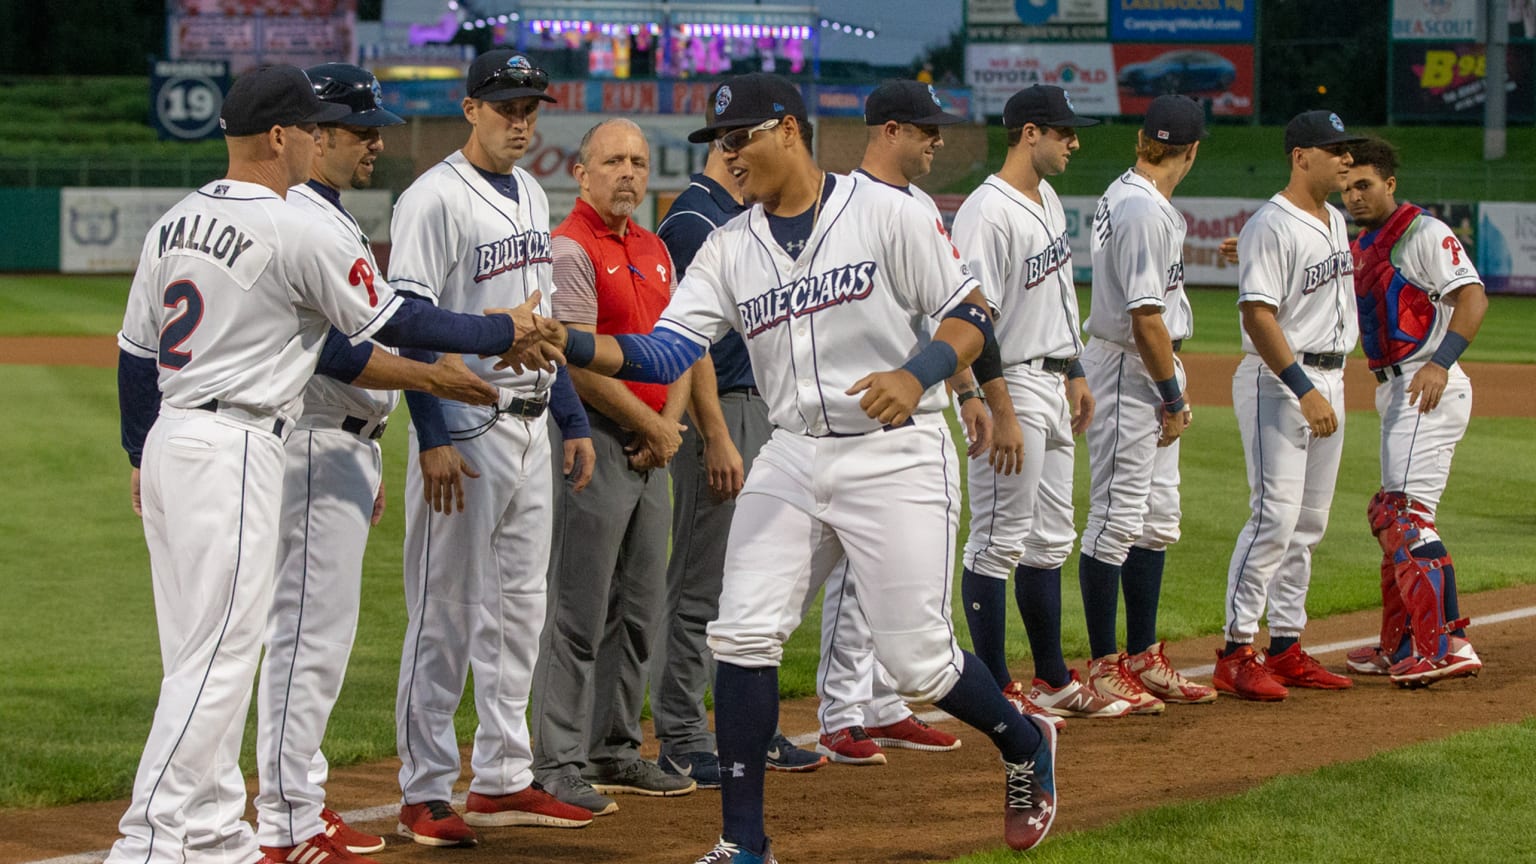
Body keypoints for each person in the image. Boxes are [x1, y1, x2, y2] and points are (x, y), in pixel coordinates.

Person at [532, 72, 1059, 862]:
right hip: (794, 451)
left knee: (916, 661)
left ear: (788, 128)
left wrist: (916, 373)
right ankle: (744, 843)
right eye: (718, 144)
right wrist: (567, 341)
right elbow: (663, 349)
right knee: (741, 633)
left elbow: (972, 314)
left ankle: (1023, 742)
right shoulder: (728, 247)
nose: (728, 155)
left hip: (897, 450)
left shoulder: (884, 212)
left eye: (739, 137)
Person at [112, 63, 550, 864]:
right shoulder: (294, 224)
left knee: (199, 652)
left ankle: (213, 832)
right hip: (239, 443)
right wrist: (496, 335)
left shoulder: (174, 220)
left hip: (177, 437)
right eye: (314, 128)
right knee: (221, 657)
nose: (322, 140)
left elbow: (136, 356)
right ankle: (148, 840)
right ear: (281, 136)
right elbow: (394, 319)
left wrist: (141, 453)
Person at [252, 62, 507, 863]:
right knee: (306, 642)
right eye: (362, 130)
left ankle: (293, 810)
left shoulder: (326, 215)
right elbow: (334, 346)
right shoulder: (303, 216)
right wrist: (466, 355)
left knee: (309, 640)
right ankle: (289, 822)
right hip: (314, 440)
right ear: (315, 133)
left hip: (337, 446)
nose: (377, 143)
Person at [389, 49, 596, 847]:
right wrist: (430, 433)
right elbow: (403, 323)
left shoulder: (532, 189)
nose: (521, 120)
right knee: (445, 611)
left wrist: (572, 418)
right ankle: (424, 790)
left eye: (530, 106)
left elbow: (536, 320)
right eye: (506, 106)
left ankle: (504, 777)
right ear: (471, 108)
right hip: (465, 431)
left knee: (519, 614)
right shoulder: (432, 200)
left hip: (531, 422)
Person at [949, 85, 1135, 722]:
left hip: (1054, 378)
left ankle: (1053, 678)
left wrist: (1077, 371)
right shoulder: (986, 211)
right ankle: (995, 685)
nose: (1074, 142)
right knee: (997, 539)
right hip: (1013, 383)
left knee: (1052, 538)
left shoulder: (1048, 198)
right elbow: (973, 318)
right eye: (1064, 132)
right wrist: (995, 407)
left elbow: (1058, 297)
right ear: (1030, 133)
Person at [530, 118, 697, 813]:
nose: (628, 172)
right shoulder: (570, 248)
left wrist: (668, 427)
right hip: (596, 439)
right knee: (577, 607)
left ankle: (616, 748)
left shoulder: (655, 248)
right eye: (613, 161)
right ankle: (558, 761)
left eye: (636, 160)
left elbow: (681, 344)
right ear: (583, 172)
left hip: (652, 445)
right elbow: (575, 357)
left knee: (637, 609)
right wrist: (653, 424)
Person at [814, 80, 982, 765]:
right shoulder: (842, 206)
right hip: (870, 412)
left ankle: (885, 703)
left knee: (910, 577)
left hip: (926, 401)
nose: (935, 141)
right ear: (887, 130)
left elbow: (950, 312)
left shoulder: (917, 207)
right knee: (855, 576)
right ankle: (839, 711)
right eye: (923, 130)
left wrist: (969, 390)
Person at [650, 145, 826, 788]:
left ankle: (746, 726)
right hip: (720, 411)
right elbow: (686, 340)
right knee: (701, 583)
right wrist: (715, 434)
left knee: (752, 583)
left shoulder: (740, 215)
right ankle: (682, 733)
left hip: (764, 411)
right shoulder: (696, 220)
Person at [1213, 110, 1364, 702]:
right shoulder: (1272, 223)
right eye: (1334, 150)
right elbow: (1258, 314)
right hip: (1281, 381)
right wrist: (1303, 389)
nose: (1345, 159)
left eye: (1347, 149)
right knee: (1274, 516)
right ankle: (1234, 650)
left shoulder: (1332, 219)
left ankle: (1287, 644)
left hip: (1332, 377)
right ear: (1301, 156)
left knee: (1308, 523)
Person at [1075, 95, 1218, 709]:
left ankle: (1143, 657)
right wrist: (1173, 395)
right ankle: (1105, 666)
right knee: (1113, 521)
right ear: (1192, 150)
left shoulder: (1126, 194)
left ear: (1143, 139)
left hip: (1136, 364)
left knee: (1154, 521)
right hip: (1127, 369)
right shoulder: (1143, 209)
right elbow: (1145, 318)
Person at [1340, 136, 1487, 687]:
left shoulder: (1424, 232)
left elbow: (1473, 297)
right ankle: (1400, 642)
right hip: (1396, 390)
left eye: (1365, 185)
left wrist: (1441, 363)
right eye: (1347, 186)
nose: (1355, 196)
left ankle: (1446, 645)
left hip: (1428, 384)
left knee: (1404, 519)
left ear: (1389, 183)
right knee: (1391, 515)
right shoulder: (1365, 242)